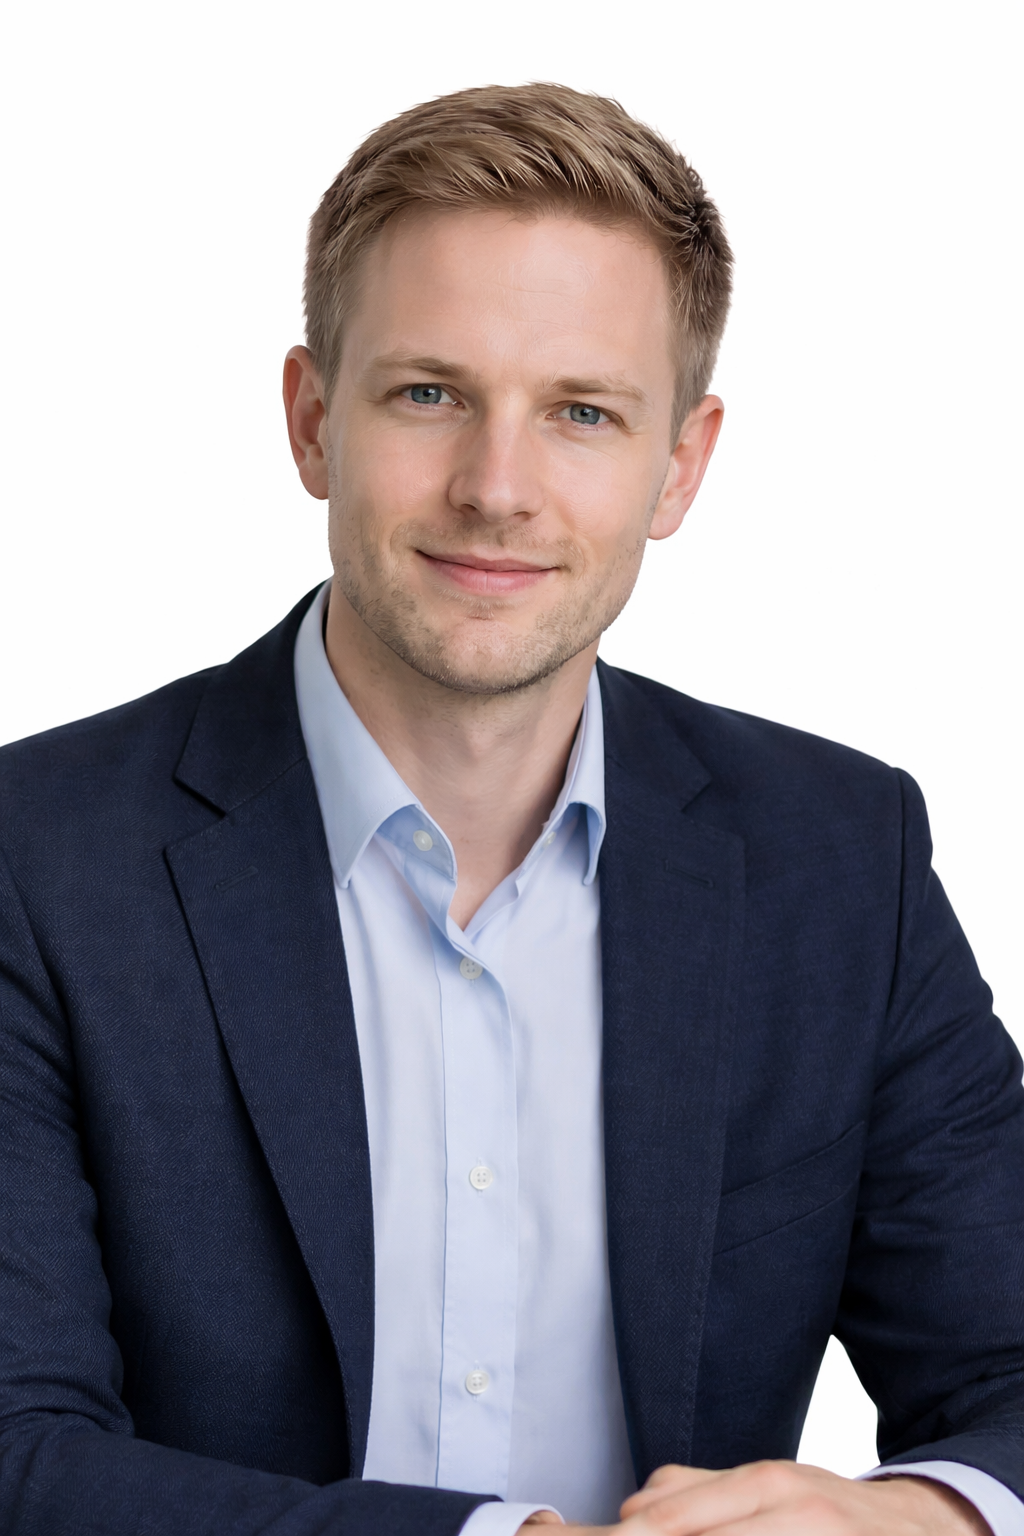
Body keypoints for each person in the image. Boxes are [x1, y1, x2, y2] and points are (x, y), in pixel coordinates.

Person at [0, 82, 1021, 1536]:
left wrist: (918, 1514)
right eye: (430, 394)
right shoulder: (37, 863)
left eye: (582, 414)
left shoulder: (840, 861)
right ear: (310, 422)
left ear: (680, 466)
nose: (497, 487)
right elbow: (18, 1455)